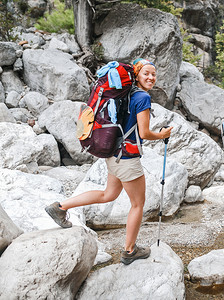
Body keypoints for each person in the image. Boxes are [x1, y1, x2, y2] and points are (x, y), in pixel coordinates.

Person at [45, 58, 172, 265]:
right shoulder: (142, 98)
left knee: (108, 194)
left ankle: (60, 207)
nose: (151, 77)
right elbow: (145, 132)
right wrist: (162, 134)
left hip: (113, 152)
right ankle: (130, 250)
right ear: (137, 74)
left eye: (154, 74)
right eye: (146, 73)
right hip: (127, 158)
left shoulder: (124, 93)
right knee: (138, 204)